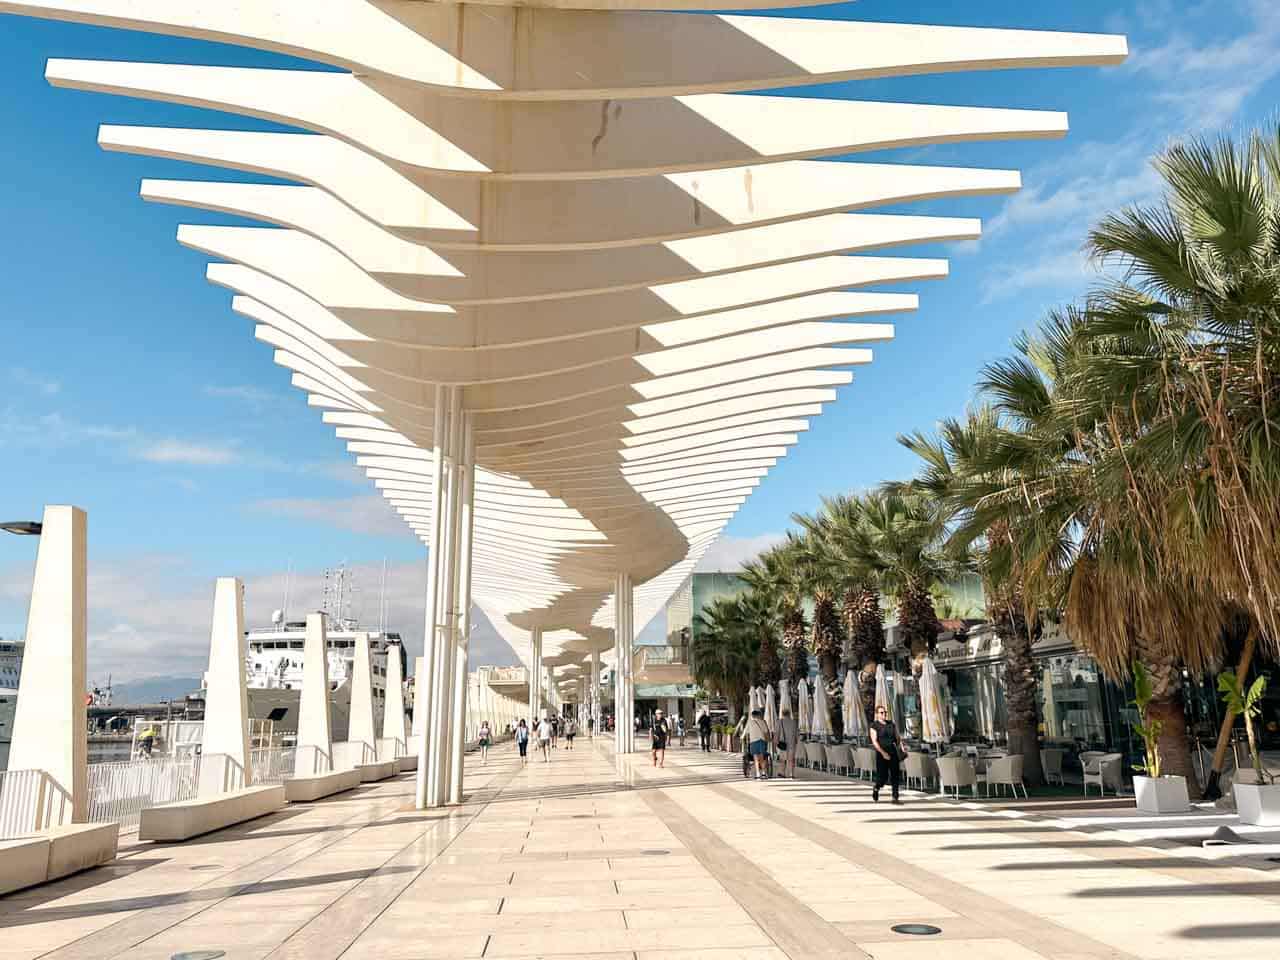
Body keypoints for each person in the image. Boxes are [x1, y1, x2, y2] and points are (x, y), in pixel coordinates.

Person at [871, 704, 906, 803]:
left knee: (895, 775)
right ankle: (876, 788)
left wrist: (902, 747)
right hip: (881, 753)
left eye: (885, 712)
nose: (884, 714)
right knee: (883, 777)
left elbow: (897, 737)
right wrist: (883, 753)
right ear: (877, 714)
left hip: (893, 751)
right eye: (882, 712)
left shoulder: (891, 724)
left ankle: (895, 797)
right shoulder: (874, 726)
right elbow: (874, 741)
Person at [745, 709, 771, 780]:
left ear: (752, 715)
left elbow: (746, 733)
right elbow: (766, 732)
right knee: (762, 758)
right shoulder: (763, 722)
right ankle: (763, 773)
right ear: (758, 715)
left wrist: (747, 740)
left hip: (753, 741)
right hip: (762, 741)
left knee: (756, 758)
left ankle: (758, 774)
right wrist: (768, 739)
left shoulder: (750, 722)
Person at [775, 705, 798, 779]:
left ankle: (782, 773)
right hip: (792, 743)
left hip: (783, 744)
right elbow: (796, 733)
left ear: (782, 714)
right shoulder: (794, 722)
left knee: (782, 759)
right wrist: (796, 741)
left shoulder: (779, 722)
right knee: (791, 759)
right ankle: (791, 774)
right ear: (789, 714)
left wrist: (776, 742)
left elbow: (777, 733)